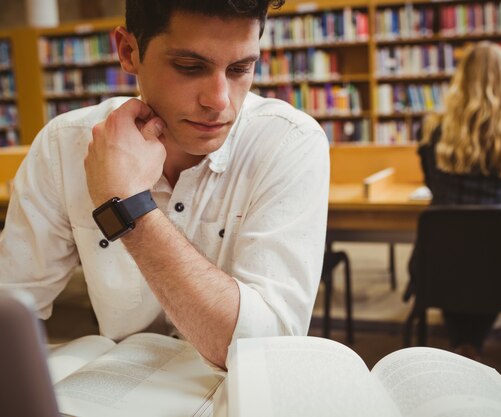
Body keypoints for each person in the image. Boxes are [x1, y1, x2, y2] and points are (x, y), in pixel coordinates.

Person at [0, 0, 330, 370]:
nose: (219, 101)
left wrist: (128, 206)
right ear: (128, 51)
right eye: (190, 67)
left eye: (240, 68)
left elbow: (266, 350)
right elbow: (10, 301)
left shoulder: (289, 142)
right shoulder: (64, 145)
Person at [405, 41, 501, 360]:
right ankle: (473, 342)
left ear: (460, 78)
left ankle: (464, 342)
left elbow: (431, 183)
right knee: (488, 261)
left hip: (440, 266)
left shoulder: (433, 129)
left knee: (458, 258)